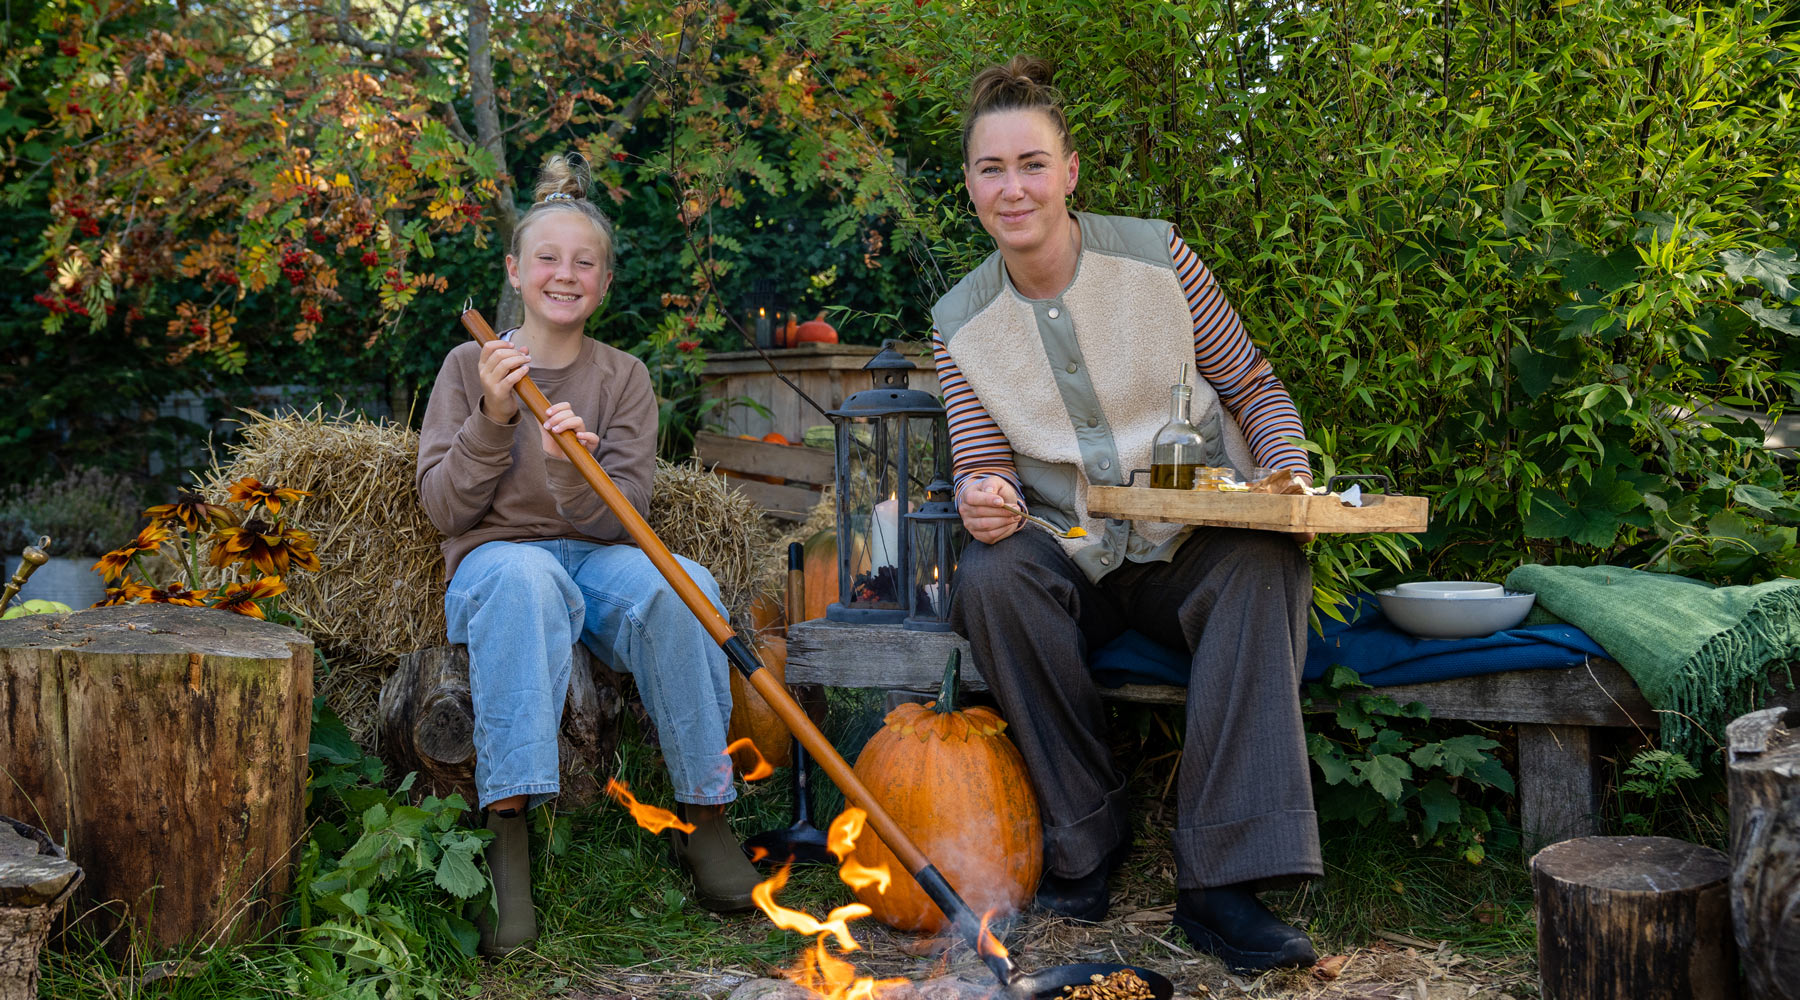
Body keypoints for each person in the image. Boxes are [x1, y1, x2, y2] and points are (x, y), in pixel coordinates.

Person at [932, 57, 1322, 971]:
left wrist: (1285, 470)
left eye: (1033, 164)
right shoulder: (959, 323)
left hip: (1192, 538)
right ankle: (1085, 838)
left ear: (1069, 171)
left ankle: (1221, 886)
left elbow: (1255, 386)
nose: (1013, 187)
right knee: (992, 578)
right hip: (1071, 551)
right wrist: (982, 500)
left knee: (1269, 561)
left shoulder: (1157, 257)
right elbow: (984, 467)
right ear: (970, 188)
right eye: (993, 170)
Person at [416, 153, 761, 955]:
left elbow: (627, 520)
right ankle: (508, 841)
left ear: (603, 283)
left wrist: (579, 477)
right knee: (527, 578)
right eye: (547, 258)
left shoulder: (625, 377)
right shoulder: (470, 367)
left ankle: (704, 815)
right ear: (514, 271)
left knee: (689, 585)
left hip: (598, 554)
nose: (564, 274)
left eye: (584, 263)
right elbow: (443, 507)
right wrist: (496, 421)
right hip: (498, 560)